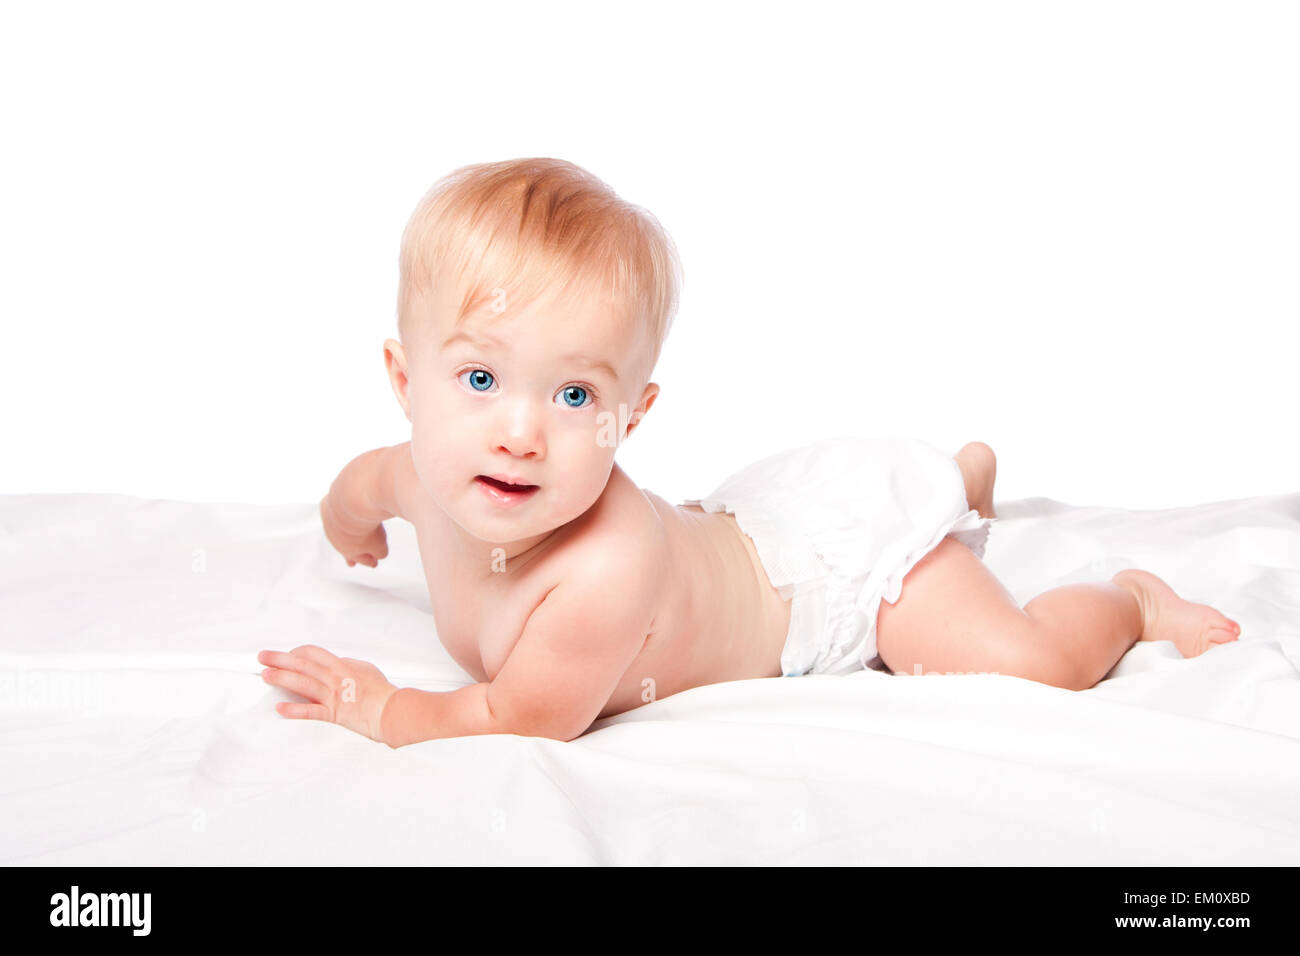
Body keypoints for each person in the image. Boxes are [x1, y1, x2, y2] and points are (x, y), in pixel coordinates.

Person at [257, 158, 1240, 747]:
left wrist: (383, 708)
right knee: (913, 513)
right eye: (478, 379)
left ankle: (1126, 596)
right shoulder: (421, 474)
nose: (520, 432)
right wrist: (346, 525)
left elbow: (519, 715)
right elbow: (359, 490)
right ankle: (951, 484)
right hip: (755, 524)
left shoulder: (602, 569)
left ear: (628, 418)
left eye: (572, 394)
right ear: (403, 379)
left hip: (834, 583)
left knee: (1023, 665)